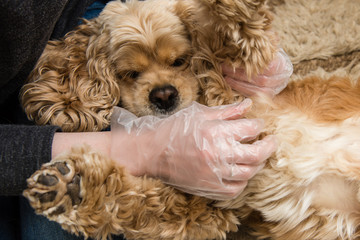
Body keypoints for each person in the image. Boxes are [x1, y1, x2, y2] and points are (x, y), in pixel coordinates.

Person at [0, 0, 292, 239]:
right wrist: (137, 150)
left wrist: (244, 54)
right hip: (58, 61)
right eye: (133, 73)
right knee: (60, 214)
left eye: (178, 62)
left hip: (79, 11)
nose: (163, 91)